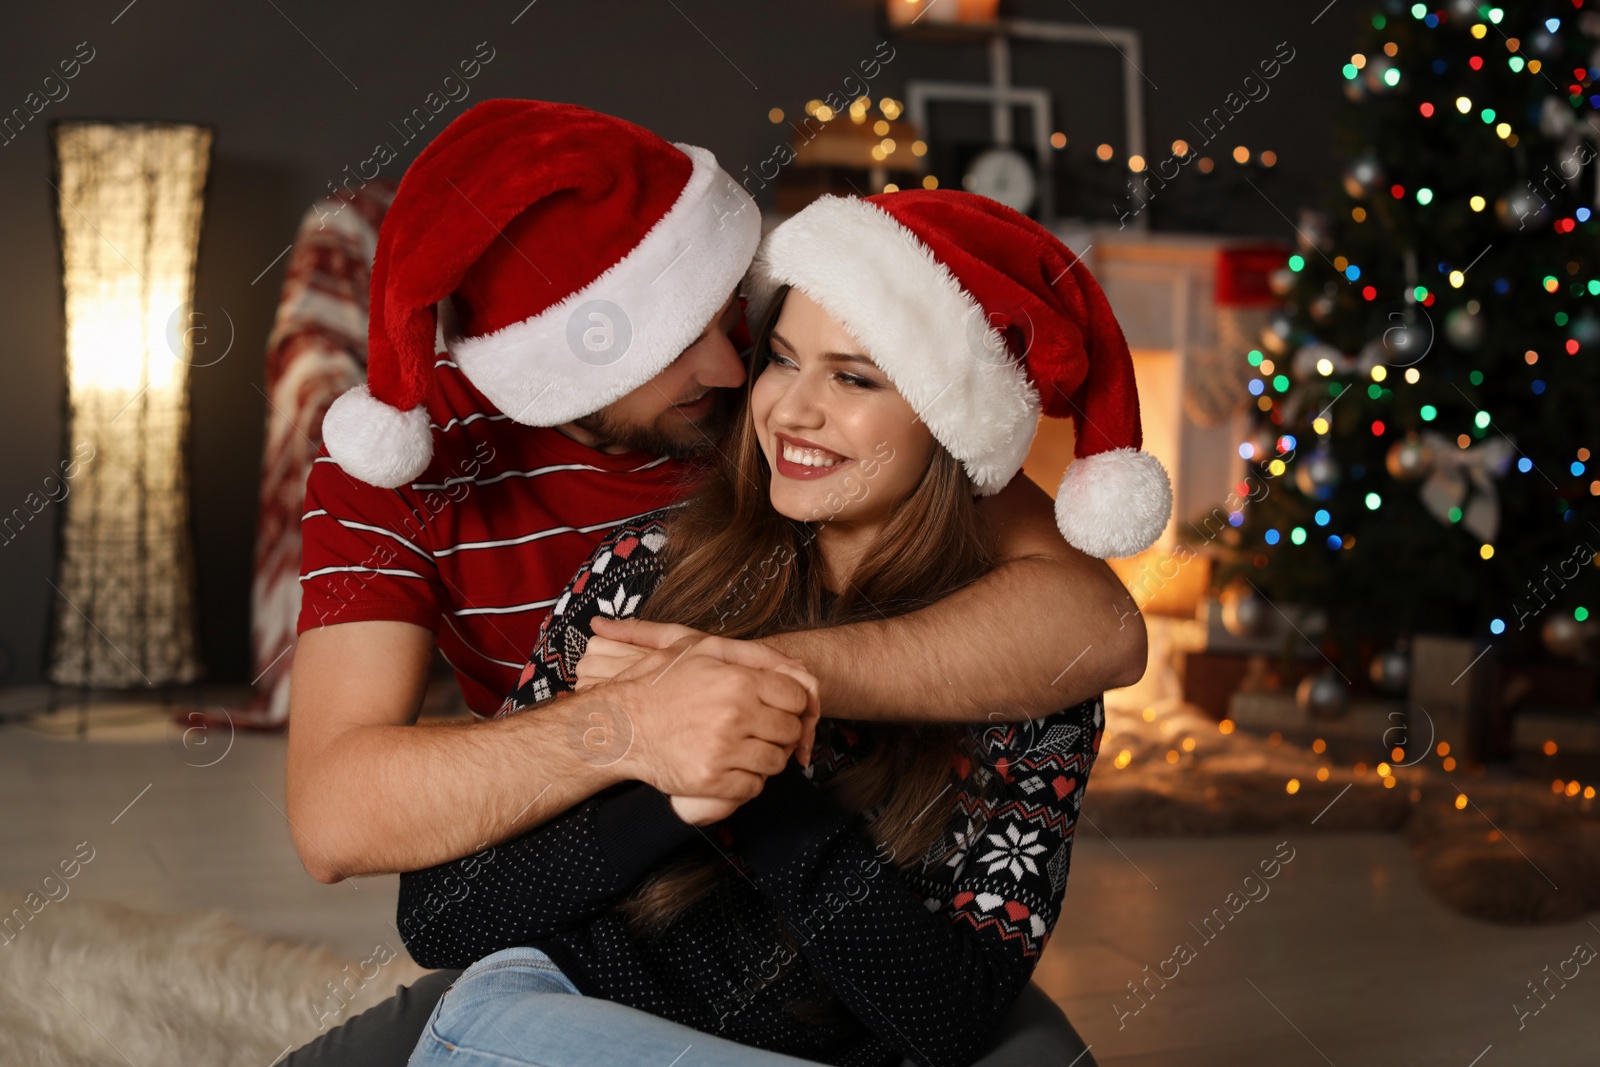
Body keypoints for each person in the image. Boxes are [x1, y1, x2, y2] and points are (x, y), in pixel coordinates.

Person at [283, 101, 1153, 1065]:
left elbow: (1098, 627)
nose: (747, 378)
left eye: (851, 376)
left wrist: (752, 707)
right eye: (777, 355)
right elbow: (380, 857)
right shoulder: (634, 565)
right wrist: (648, 736)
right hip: (557, 962)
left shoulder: (999, 636)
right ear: (563, 362)